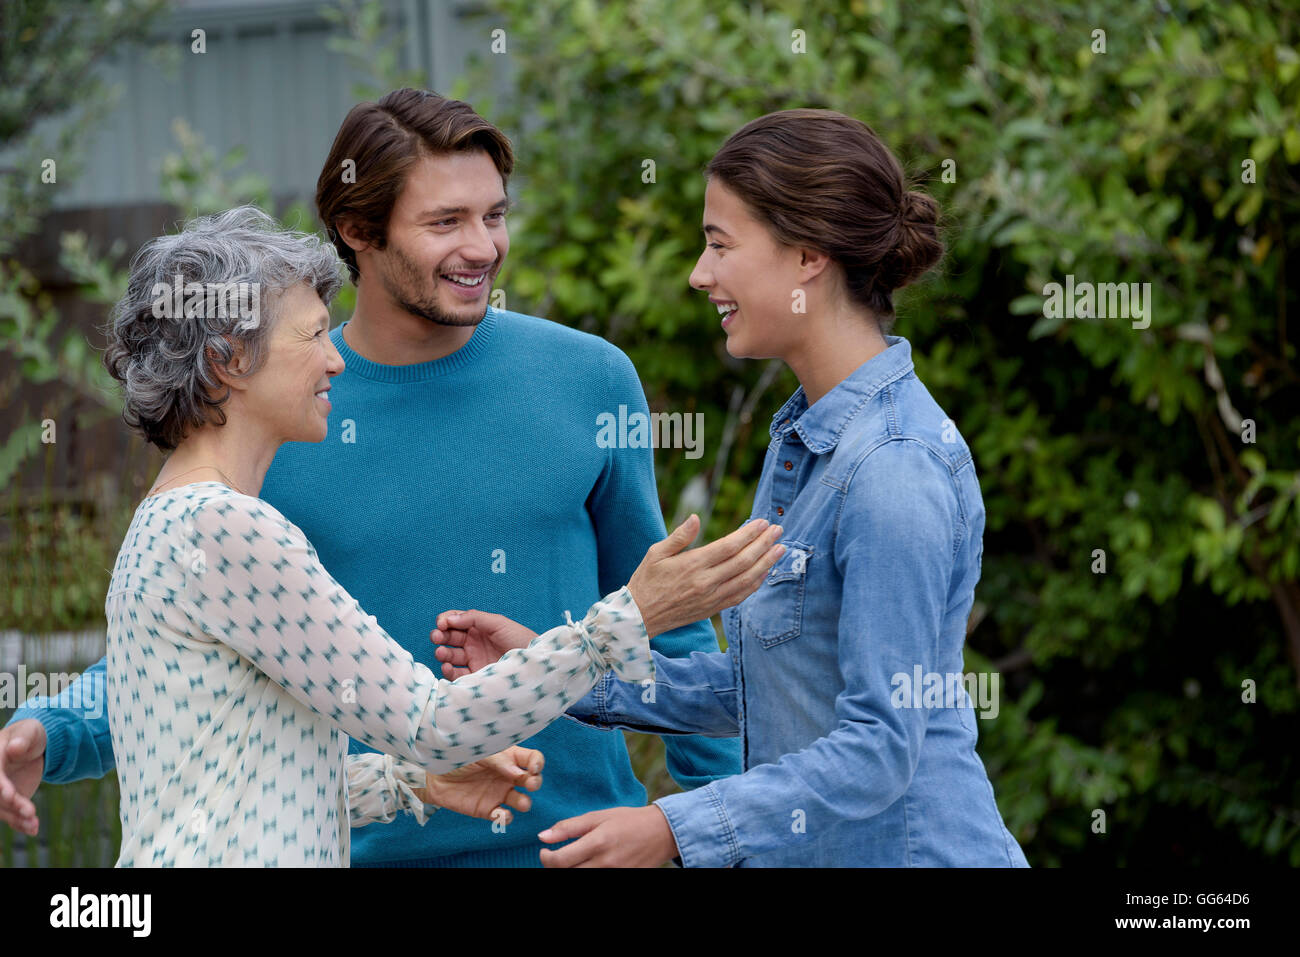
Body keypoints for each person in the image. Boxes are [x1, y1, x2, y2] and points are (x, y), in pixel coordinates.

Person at [0, 89, 753, 866]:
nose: (483, 247)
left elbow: (671, 617)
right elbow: (193, 645)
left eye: (493, 215)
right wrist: (57, 731)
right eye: (444, 222)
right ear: (359, 231)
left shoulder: (589, 378)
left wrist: (710, 832)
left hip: (574, 850)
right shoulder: (277, 412)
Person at [430, 109, 1031, 867]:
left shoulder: (893, 465)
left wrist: (676, 828)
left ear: (809, 256)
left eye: (720, 244)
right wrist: (562, 670)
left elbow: (882, 747)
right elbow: (765, 686)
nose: (700, 272)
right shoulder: (808, 443)